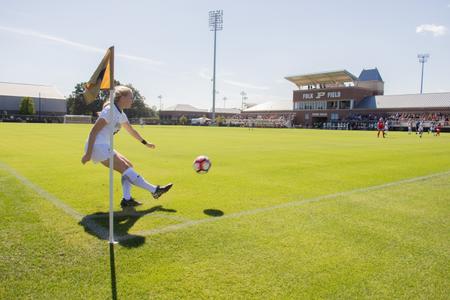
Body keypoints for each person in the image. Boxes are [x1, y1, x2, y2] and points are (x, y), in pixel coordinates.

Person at [81, 86, 173, 207]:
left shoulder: (121, 113)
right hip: (97, 146)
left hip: (105, 145)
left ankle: (127, 199)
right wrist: (88, 153)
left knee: (129, 166)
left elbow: (131, 131)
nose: (132, 100)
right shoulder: (110, 110)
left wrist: (146, 143)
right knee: (126, 168)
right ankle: (155, 190)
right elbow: (94, 131)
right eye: (130, 97)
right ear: (122, 98)